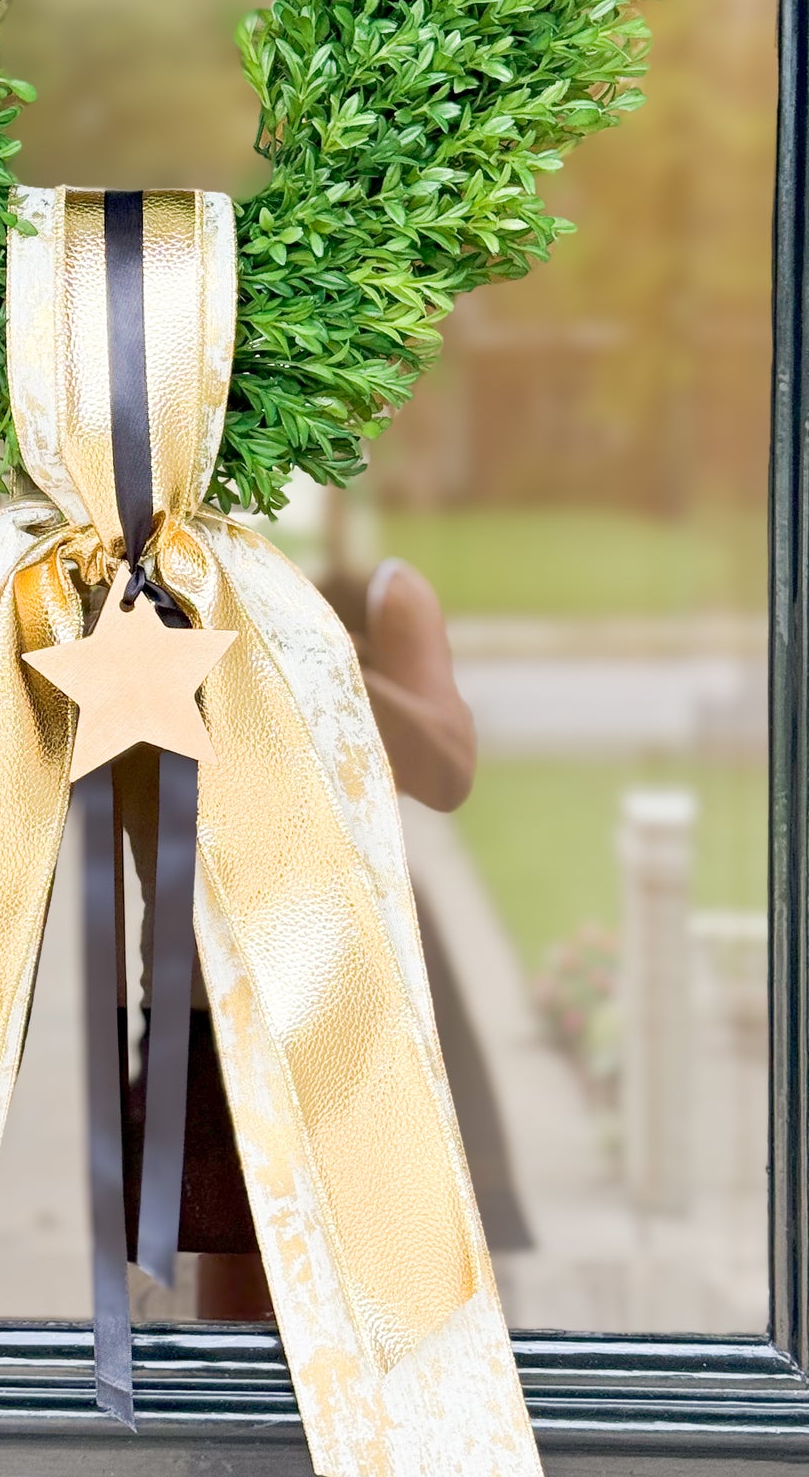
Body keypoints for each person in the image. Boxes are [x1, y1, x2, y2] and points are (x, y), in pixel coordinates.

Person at [121, 556, 531, 1321]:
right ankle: (242, 1432)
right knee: (238, 1254)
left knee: (396, 1254)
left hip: (361, 943)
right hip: (221, 950)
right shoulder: (139, 571)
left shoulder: (378, 594)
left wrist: (314, 655)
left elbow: (446, 771)